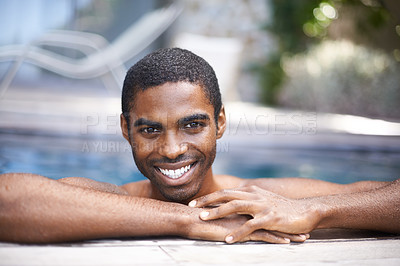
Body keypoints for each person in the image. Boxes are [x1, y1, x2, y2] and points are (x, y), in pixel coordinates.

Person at [0, 48, 399, 244]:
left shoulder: (263, 199)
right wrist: (190, 221)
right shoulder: (110, 197)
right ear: (125, 130)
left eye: (193, 125)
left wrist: (313, 210)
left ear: (220, 122)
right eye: (150, 130)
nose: (173, 149)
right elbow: (8, 199)